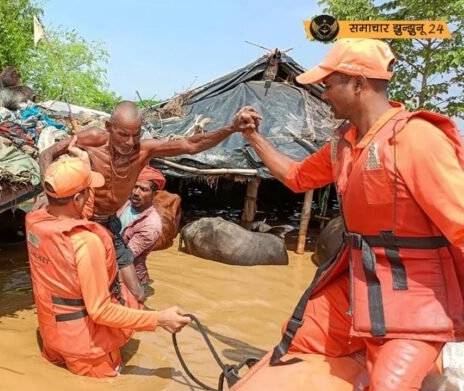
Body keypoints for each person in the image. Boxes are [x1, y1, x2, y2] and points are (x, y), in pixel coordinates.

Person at [231, 38, 464, 390]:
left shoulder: (416, 138)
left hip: (415, 297)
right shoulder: (344, 143)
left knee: (388, 385)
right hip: (359, 284)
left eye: (328, 85)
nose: (323, 96)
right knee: (298, 336)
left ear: (358, 84)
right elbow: (296, 178)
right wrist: (254, 138)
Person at [40, 101, 261, 303]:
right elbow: (48, 153)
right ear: (108, 127)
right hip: (82, 221)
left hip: (109, 224)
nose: (129, 142)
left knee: (137, 293)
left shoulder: (144, 150)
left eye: (135, 135)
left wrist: (231, 128)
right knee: (77, 286)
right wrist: (50, 194)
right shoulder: (94, 138)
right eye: (123, 135)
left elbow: (191, 145)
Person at [25, 157, 191, 378]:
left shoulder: (35, 220)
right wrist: (159, 319)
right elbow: (100, 311)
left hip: (51, 335)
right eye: (88, 191)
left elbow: (71, 212)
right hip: (87, 349)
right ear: (77, 198)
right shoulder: (85, 241)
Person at [117, 166, 165, 290]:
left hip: (131, 280)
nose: (136, 193)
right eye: (135, 186)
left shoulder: (151, 225)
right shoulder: (124, 203)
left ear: (155, 194)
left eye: (144, 189)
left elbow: (126, 257)